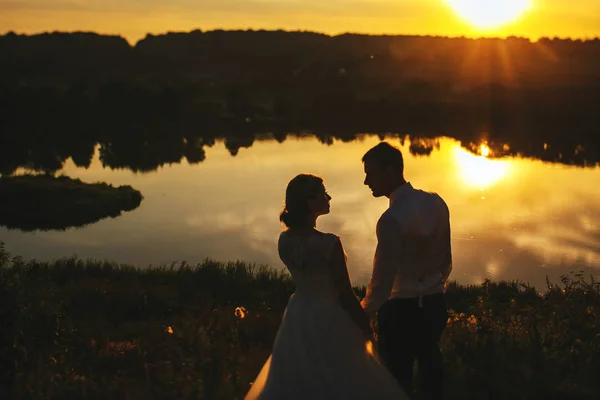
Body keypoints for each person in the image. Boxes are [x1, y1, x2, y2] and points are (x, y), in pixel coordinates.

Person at [245, 173, 408, 400]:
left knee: (297, 375)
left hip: (298, 313)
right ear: (311, 203)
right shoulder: (328, 243)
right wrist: (364, 325)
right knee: (343, 376)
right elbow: (345, 293)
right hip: (330, 315)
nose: (329, 197)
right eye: (323, 194)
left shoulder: (284, 241)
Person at [360, 142, 452, 400]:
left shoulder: (391, 219)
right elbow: (445, 257)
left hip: (400, 310)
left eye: (371, 173)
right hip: (434, 304)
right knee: (431, 374)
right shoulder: (436, 202)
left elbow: (382, 279)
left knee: (396, 381)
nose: (366, 181)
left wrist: (364, 311)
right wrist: (435, 287)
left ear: (391, 171)